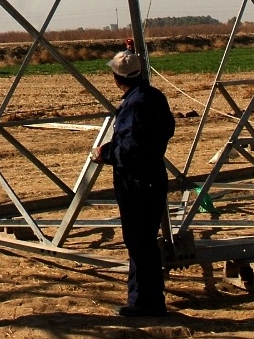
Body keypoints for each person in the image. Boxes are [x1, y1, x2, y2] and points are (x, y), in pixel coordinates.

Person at [93, 50, 175, 318]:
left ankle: (145, 301)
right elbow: (167, 129)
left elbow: (130, 151)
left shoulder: (135, 105)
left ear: (117, 78)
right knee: (144, 241)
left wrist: (104, 153)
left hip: (137, 183)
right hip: (153, 177)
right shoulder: (154, 96)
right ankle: (147, 298)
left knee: (139, 243)